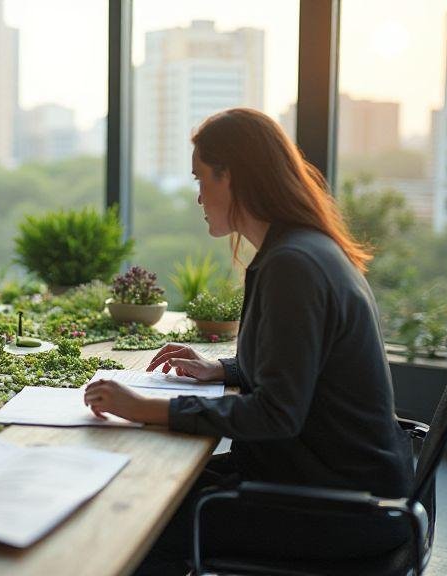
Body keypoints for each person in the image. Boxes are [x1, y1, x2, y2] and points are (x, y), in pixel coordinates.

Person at [84, 108, 415, 572]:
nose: (198, 196)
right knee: (142, 485)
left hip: (337, 509)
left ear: (232, 176)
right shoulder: (302, 248)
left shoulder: (293, 265)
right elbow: (301, 369)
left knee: (137, 519)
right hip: (330, 483)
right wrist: (222, 369)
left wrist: (146, 408)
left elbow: (277, 414)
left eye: (201, 178)